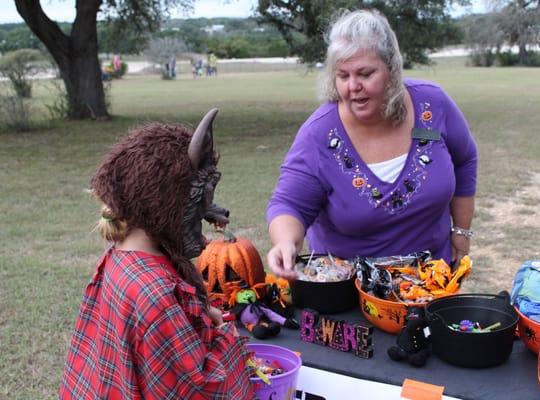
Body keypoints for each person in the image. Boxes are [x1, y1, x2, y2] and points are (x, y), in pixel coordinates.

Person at [266, 9, 477, 280]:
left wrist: (461, 232)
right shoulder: (318, 135)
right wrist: (285, 242)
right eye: (343, 76)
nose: (353, 86)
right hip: (348, 295)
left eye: (365, 74)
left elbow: (465, 159)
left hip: (432, 284)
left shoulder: (432, 105)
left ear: (391, 69)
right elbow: (288, 204)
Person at [59, 110, 255, 399]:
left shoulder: (119, 259)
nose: (214, 214)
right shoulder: (156, 293)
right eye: (202, 199)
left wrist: (200, 314)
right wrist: (228, 336)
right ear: (167, 202)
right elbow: (200, 388)